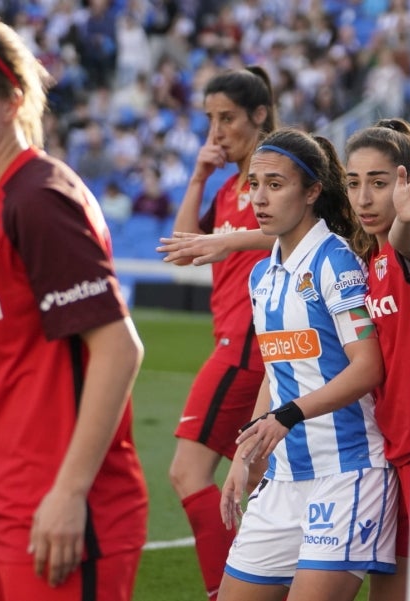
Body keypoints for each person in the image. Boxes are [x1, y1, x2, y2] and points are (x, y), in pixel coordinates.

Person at [0, 16, 148, 601]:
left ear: (12, 101)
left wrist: (69, 492)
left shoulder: (39, 198)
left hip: (60, 519)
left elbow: (119, 349)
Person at [218, 128, 398, 601]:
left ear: (313, 191)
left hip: (346, 474)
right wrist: (244, 454)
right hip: (283, 478)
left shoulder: (336, 263)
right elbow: (277, 372)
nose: (259, 198)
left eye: (275, 185)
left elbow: (368, 367)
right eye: (254, 184)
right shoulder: (262, 274)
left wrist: (289, 415)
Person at [159, 66, 278, 601]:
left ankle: (226, 591)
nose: (217, 131)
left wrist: (228, 242)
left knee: (188, 472)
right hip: (236, 343)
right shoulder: (229, 186)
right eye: (210, 119)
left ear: (259, 115)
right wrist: (198, 178)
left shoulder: (274, 176)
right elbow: (183, 249)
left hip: (248, 347)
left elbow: (299, 232)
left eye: (227, 118)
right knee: (264, 485)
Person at [343, 118, 410, 601]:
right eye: (353, 183)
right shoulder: (367, 265)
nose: (363, 198)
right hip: (388, 452)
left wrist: (407, 222)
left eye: (378, 184)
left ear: (409, 185)